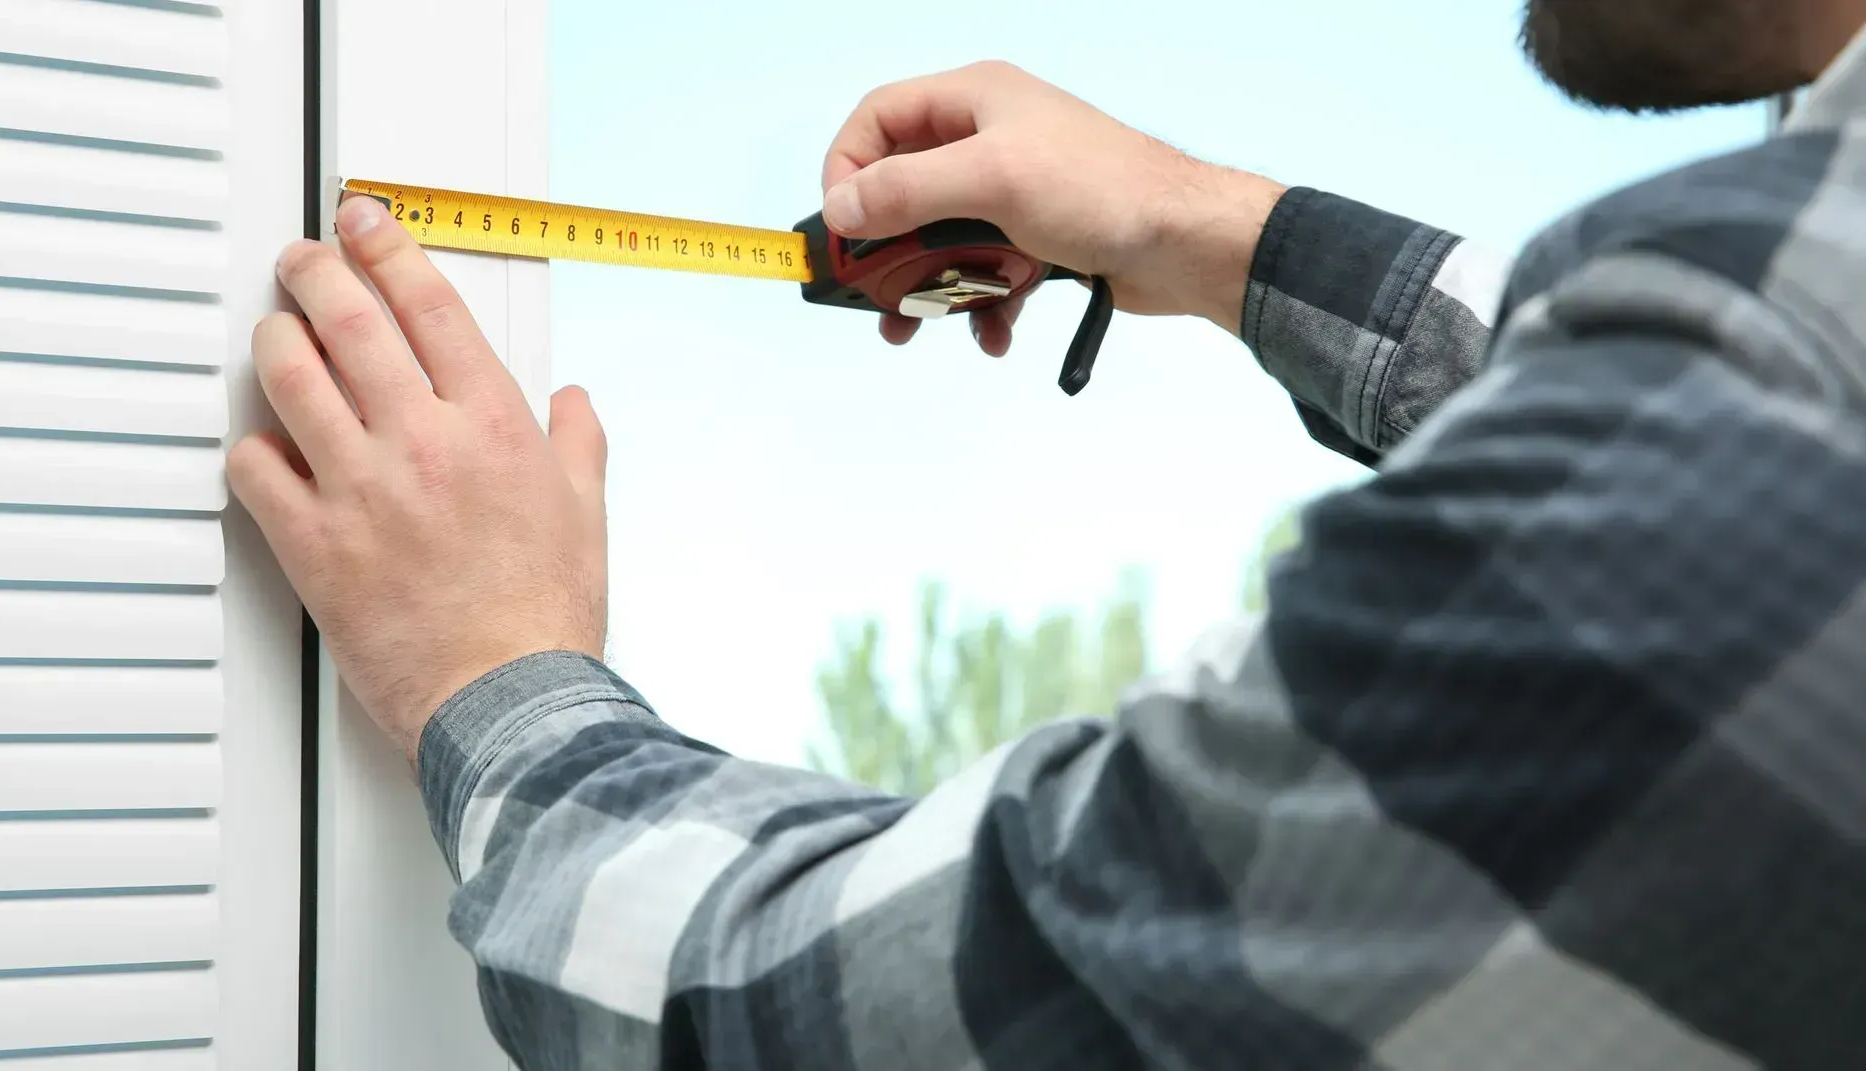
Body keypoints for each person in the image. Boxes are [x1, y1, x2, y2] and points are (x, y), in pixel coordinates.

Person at [230, 0, 1866, 1066]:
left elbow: (933, 1007)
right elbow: (1691, 423)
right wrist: (1213, 231)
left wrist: (494, 666)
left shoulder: (1764, 384)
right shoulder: (1781, 356)